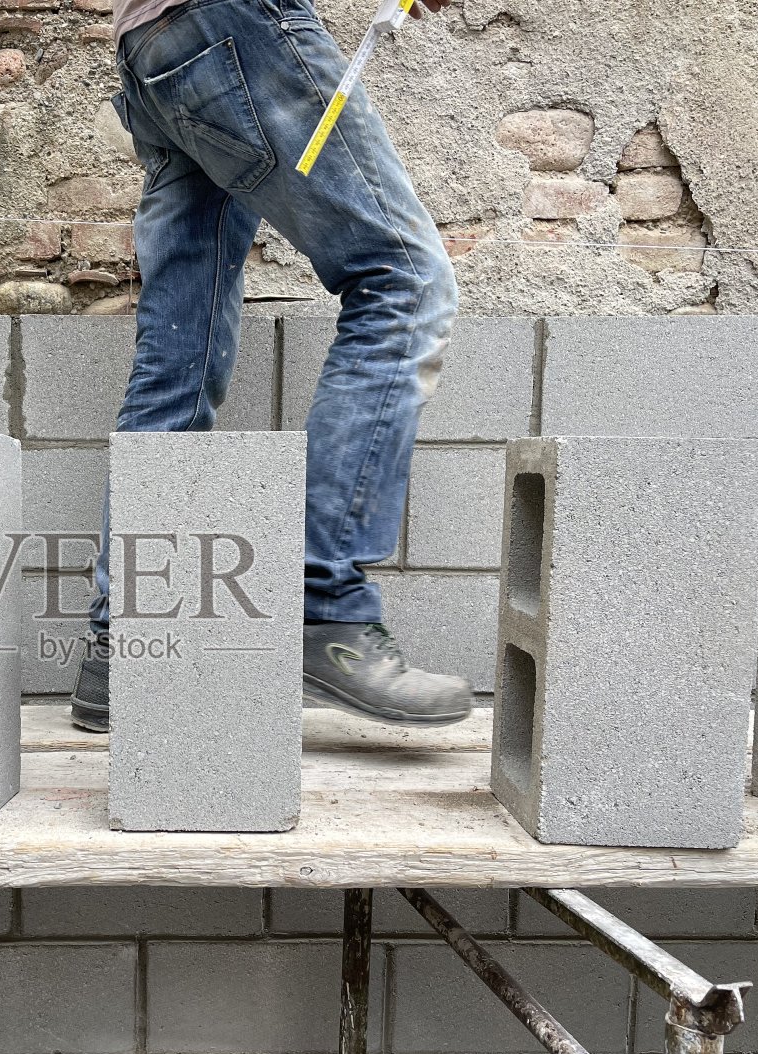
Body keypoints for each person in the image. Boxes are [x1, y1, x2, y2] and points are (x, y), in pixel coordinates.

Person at [69, 0, 469, 734]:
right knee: (405, 281)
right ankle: (325, 608)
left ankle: (121, 650)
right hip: (236, 28)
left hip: (151, 50)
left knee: (177, 360)